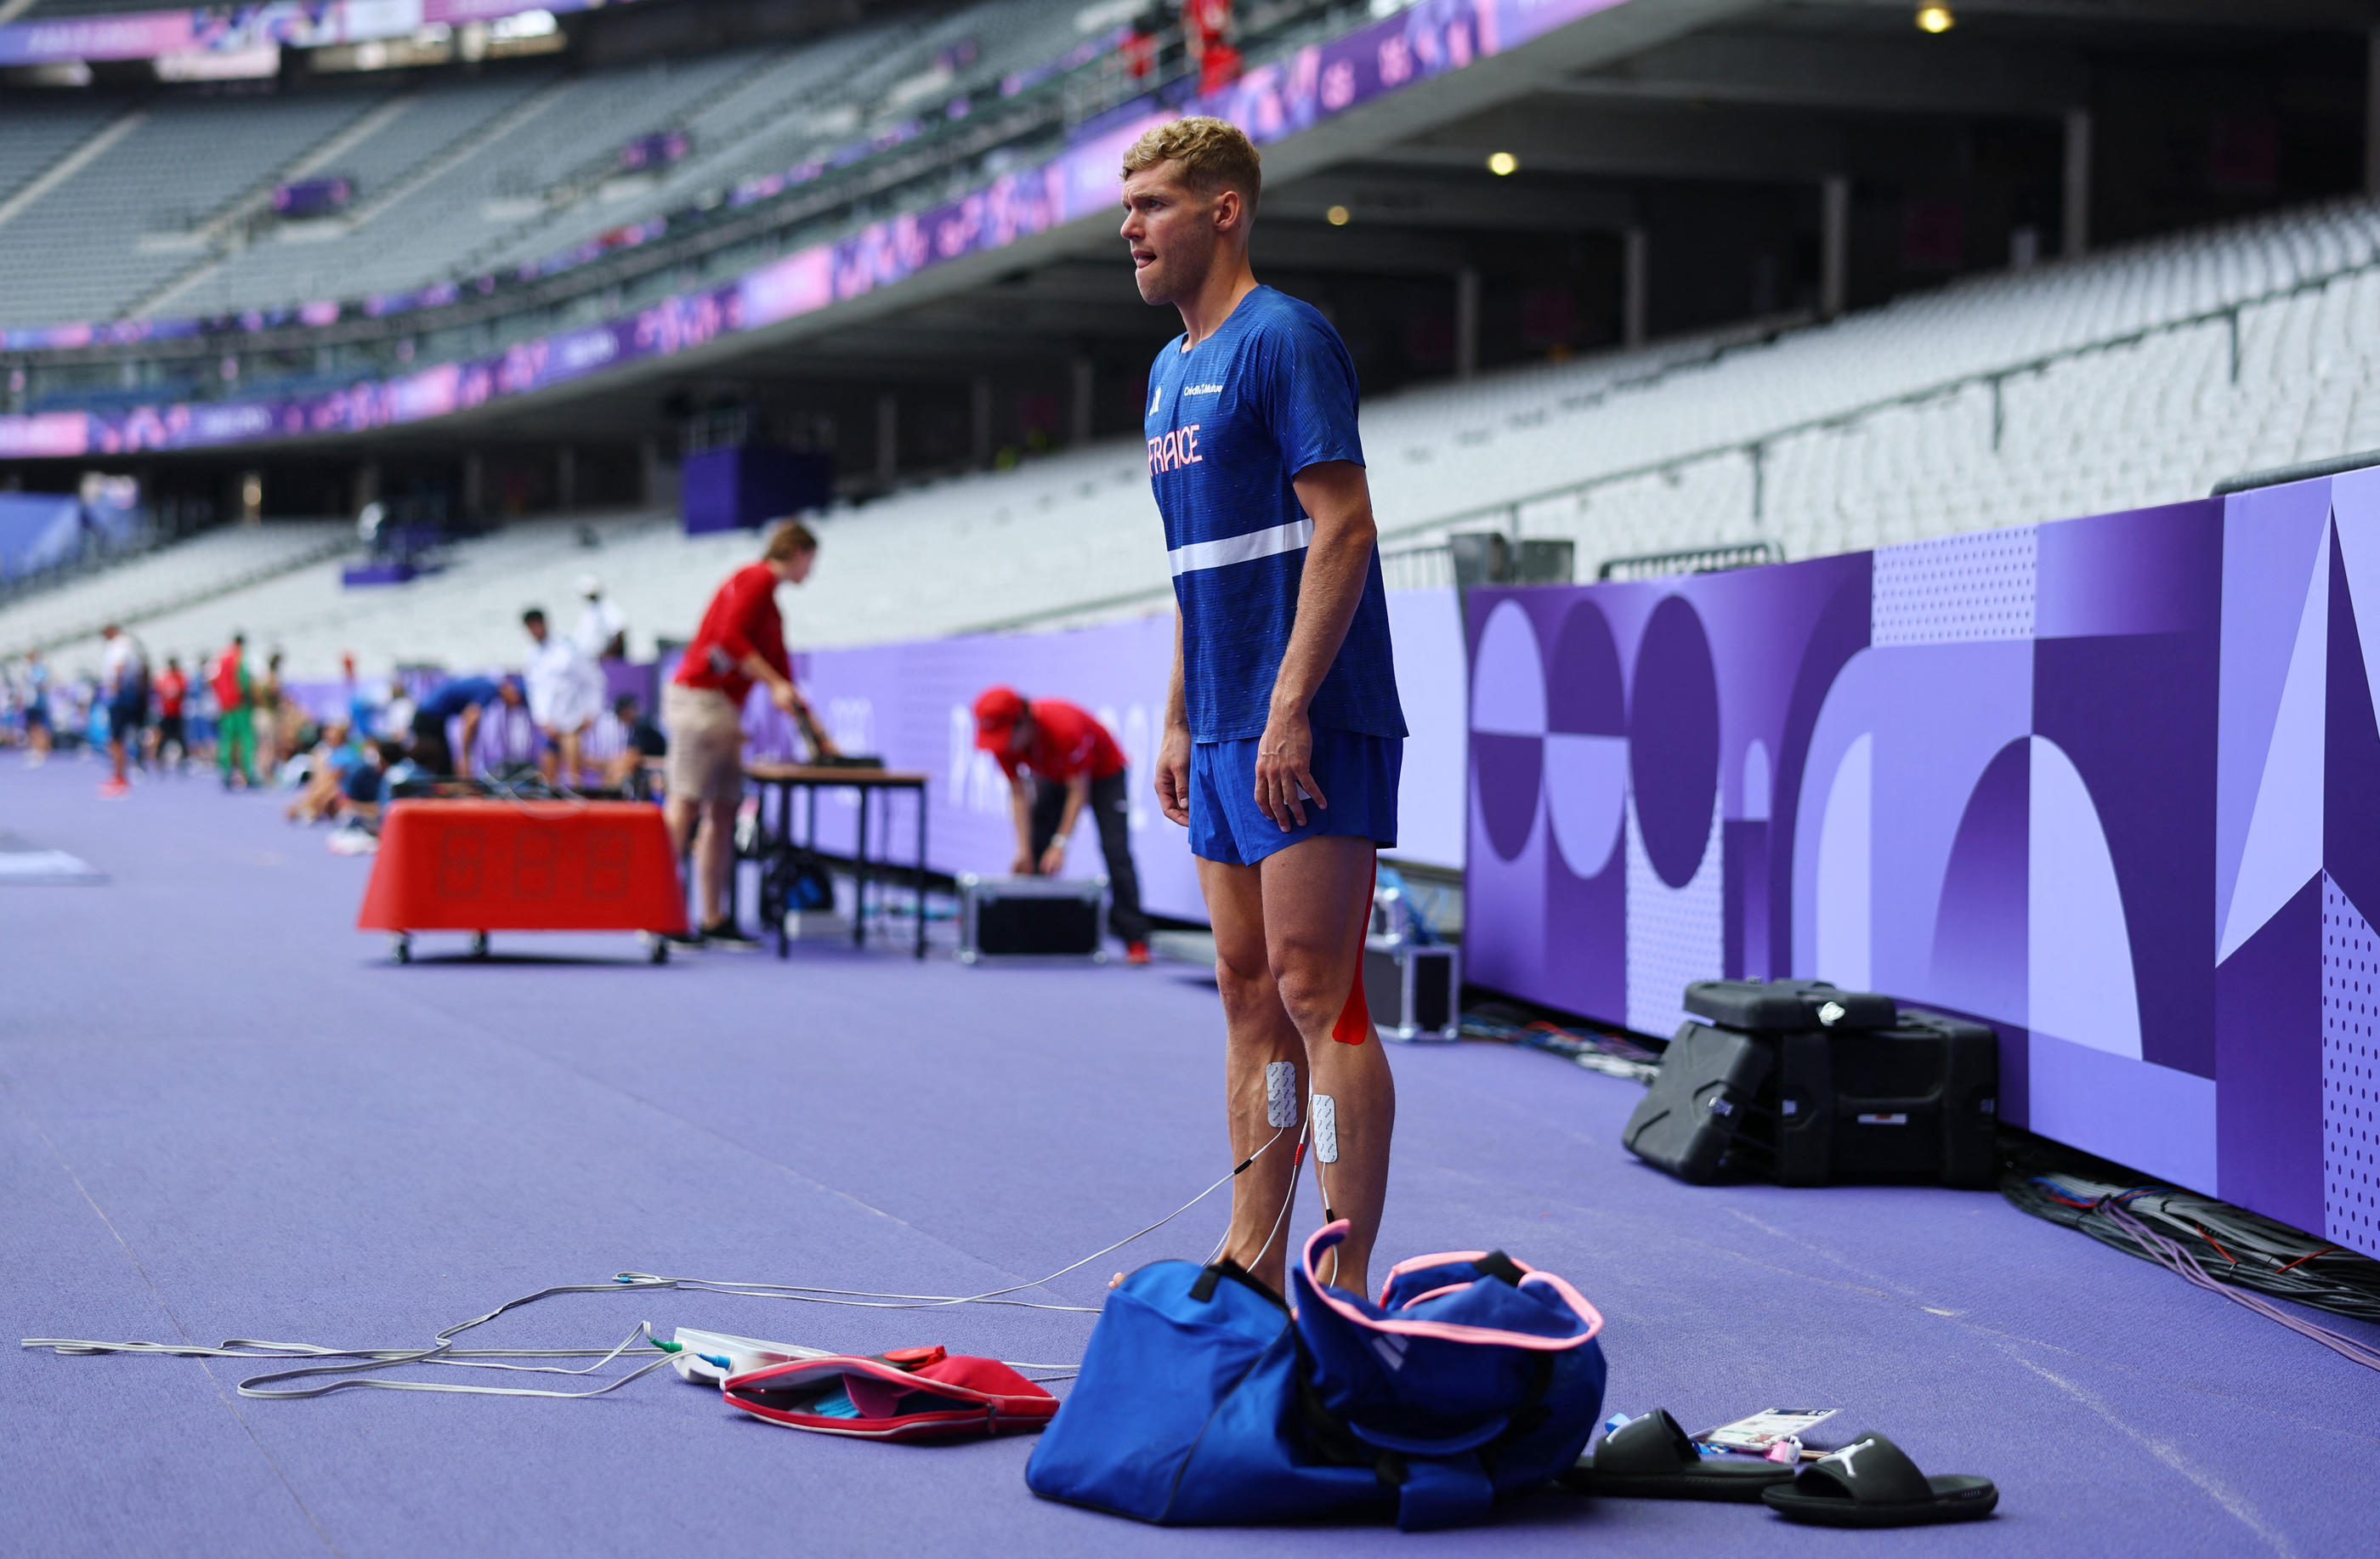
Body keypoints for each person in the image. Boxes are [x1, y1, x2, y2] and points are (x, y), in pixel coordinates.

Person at [1123, 117, 1406, 1298]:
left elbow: (1343, 524)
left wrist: (1289, 707)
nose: (1129, 229)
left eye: (1153, 205)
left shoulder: (1286, 339)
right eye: (1126, 209)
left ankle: (1341, 1278)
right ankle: (1257, 1259)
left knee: (1315, 991)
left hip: (1311, 716)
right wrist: (1184, 714)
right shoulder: (1163, 372)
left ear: (1224, 210)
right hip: (1228, 716)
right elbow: (1198, 568)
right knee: (1245, 992)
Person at [664, 519, 823, 950]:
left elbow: (783, 673)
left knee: (724, 810)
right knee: (686, 805)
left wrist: (819, 734)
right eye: (812, 561)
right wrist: (773, 684)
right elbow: (729, 638)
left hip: (726, 709)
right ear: (798, 552)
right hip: (700, 699)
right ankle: (658, 912)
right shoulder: (753, 579)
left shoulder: (771, 607)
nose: (812, 571)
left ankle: (713, 917)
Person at [973, 687, 1153, 963]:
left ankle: (1135, 938)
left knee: (1115, 850)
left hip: (1105, 775)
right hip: (1056, 776)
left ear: (1024, 721)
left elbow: (1078, 792)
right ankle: (1032, 927)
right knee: (1033, 848)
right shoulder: (1004, 743)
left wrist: (1060, 845)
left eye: (1006, 737)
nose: (1003, 746)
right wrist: (1022, 849)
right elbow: (1019, 795)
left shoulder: (1063, 728)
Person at [522, 607, 604, 787]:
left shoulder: (568, 648)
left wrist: (592, 710)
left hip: (571, 721)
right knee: (548, 777)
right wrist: (542, 719)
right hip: (550, 724)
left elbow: (593, 679)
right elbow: (535, 691)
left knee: (574, 777)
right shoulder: (532, 655)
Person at [409, 674, 507, 777]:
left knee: (438, 762)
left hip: (427, 716)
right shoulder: (490, 690)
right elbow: (469, 722)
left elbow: (468, 719)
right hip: (429, 719)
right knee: (441, 764)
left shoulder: (485, 685)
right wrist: (465, 757)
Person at [98, 623, 150, 797]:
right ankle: (132, 770)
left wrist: (114, 690)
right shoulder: (132, 646)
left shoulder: (119, 646)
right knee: (130, 736)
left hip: (120, 697)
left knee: (116, 739)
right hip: (132, 694)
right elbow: (144, 669)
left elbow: (118, 668)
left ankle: (119, 777)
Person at [210, 634, 253, 789]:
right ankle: (247, 772)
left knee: (227, 739)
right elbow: (243, 683)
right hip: (239, 706)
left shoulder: (221, 657)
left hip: (225, 706)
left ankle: (226, 770)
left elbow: (213, 680)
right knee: (246, 739)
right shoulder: (239, 657)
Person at [603, 692, 667, 794]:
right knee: (616, 768)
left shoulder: (644, 726)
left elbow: (633, 756)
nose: (621, 719)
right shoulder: (635, 728)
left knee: (619, 770)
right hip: (646, 765)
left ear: (629, 711)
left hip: (656, 765)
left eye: (622, 714)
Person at [574, 575, 627, 661]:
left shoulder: (607, 608)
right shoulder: (589, 612)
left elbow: (620, 632)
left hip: (606, 663)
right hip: (591, 662)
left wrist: (609, 655)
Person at [151, 655, 189, 771]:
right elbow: (160, 690)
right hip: (166, 712)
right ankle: (158, 757)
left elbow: (182, 691)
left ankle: (185, 759)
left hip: (177, 712)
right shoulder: (165, 677)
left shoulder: (180, 677)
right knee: (164, 736)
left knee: (180, 737)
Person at [21, 649, 52, 764]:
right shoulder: (28, 669)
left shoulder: (39, 669)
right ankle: (35, 748)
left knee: (40, 727)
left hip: (38, 702)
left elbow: (41, 684)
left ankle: (42, 749)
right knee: (32, 726)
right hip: (30, 702)